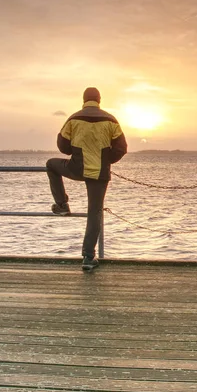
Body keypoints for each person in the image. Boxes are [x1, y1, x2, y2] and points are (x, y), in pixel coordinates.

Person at [46, 87, 128, 271]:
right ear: (99, 100)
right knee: (94, 213)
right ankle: (88, 257)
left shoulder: (74, 119)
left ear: (84, 100)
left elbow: (62, 146)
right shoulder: (111, 120)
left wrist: (76, 152)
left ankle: (62, 205)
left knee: (51, 164)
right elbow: (121, 148)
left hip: (77, 168)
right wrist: (106, 160)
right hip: (99, 173)